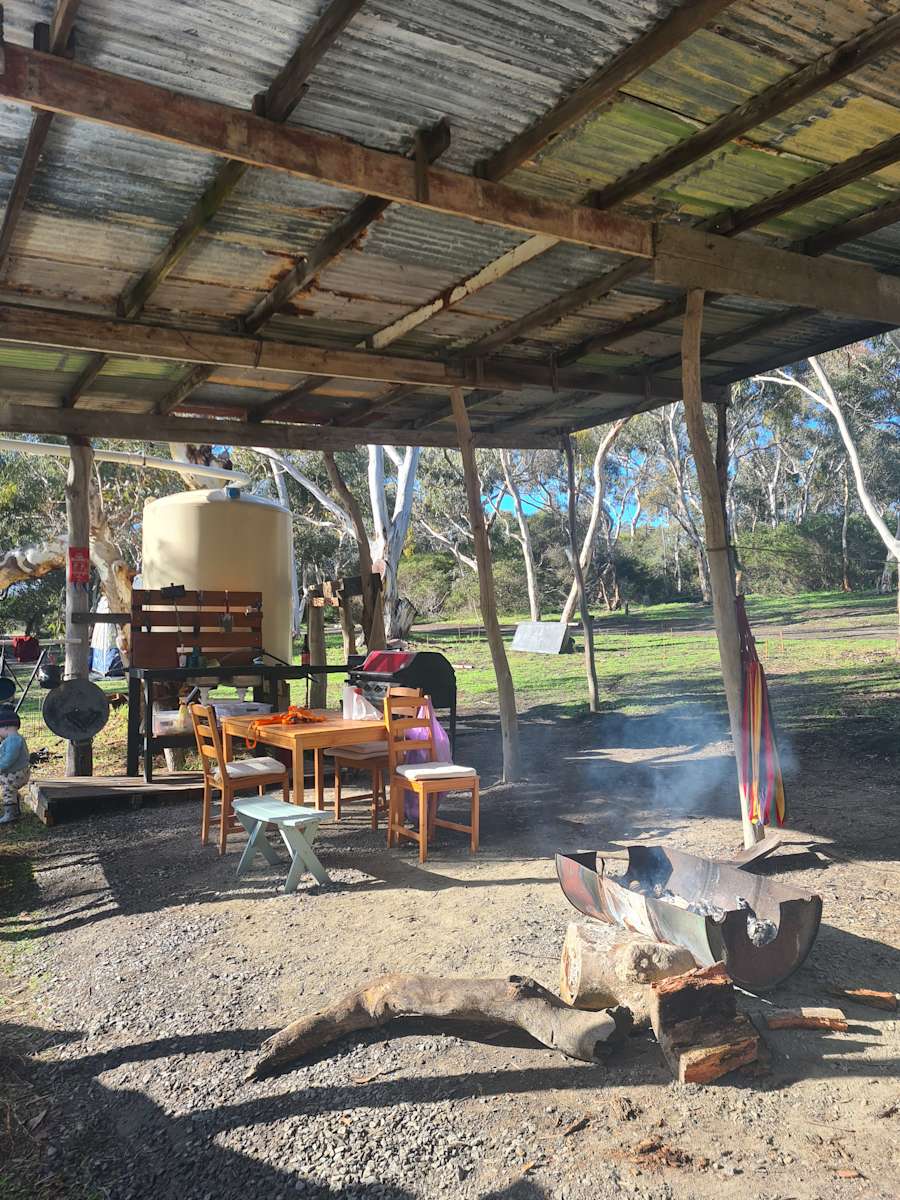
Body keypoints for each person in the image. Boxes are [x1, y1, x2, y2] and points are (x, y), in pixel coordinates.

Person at [0, 706, 30, 825]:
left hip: (16, 773)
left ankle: (10, 814)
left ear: (5, 727)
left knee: (8, 788)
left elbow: (8, 759)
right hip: (16, 772)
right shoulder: (11, 739)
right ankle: (15, 810)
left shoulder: (13, 740)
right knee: (10, 788)